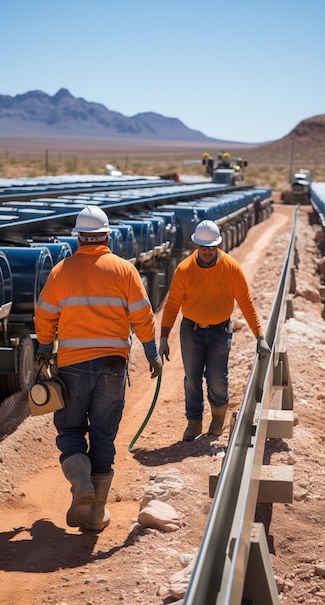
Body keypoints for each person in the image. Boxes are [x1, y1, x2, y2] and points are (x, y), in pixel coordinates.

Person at [34, 205, 162, 532]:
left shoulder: (61, 271)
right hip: (113, 367)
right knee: (104, 433)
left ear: (78, 236)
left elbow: (45, 316)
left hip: (73, 366)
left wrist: (45, 349)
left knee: (71, 429)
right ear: (107, 235)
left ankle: (80, 484)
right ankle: (95, 514)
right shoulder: (124, 270)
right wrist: (151, 351)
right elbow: (143, 316)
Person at [159, 219, 270, 442]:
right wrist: (163, 337)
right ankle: (194, 421)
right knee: (192, 378)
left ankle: (218, 417)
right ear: (196, 247)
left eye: (211, 247)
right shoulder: (184, 270)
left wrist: (259, 336)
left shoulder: (231, 268)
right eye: (203, 247)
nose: (207, 252)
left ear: (217, 245)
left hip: (220, 331)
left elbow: (246, 303)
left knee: (217, 378)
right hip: (191, 330)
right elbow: (172, 304)